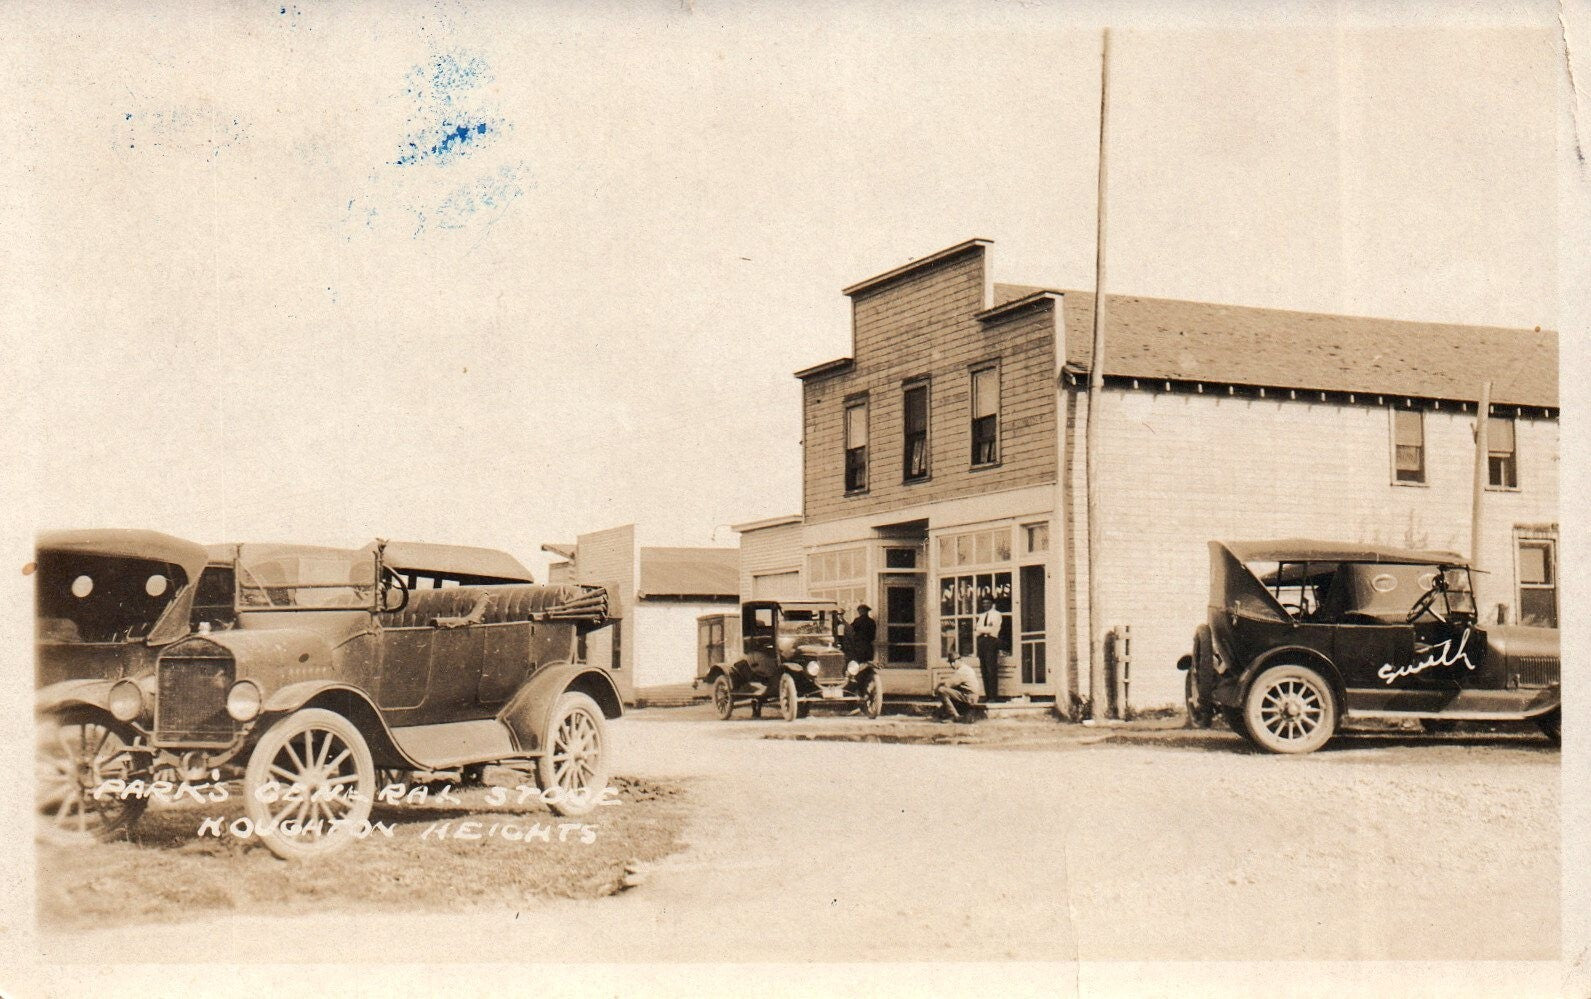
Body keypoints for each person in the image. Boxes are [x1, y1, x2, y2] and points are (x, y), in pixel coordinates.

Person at [936, 655, 984, 722]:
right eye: (950, 662)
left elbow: (948, 684)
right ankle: (950, 713)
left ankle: (954, 716)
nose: (952, 665)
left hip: (969, 697)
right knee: (949, 694)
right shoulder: (967, 668)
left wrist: (938, 684)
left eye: (953, 662)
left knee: (941, 690)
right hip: (970, 696)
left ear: (959, 660)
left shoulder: (962, 671)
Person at [974, 595, 1003, 701]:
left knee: (991, 669)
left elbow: (993, 630)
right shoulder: (982, 615)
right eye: (984, 603)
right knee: (984, 669)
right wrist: (983, 629)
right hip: (982, 642)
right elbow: (976, 631)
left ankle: (993, 697)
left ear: (992, 603)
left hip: (991, 641)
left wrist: (982, 629)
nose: (985, 605)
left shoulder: (996, 615)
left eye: (988, 603)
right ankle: (987, 696)